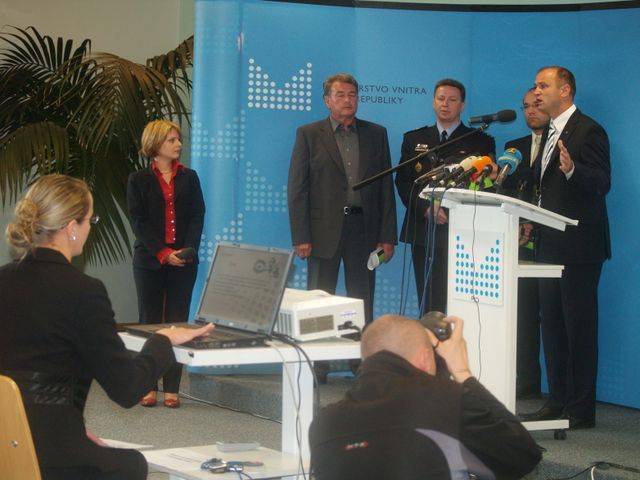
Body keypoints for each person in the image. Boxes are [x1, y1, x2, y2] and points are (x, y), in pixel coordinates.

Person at [0, 174, 214, 480]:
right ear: (71, 228)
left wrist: (71, 431)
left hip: (9, 446)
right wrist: (162, 340)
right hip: (52, 458)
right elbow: (127, 389)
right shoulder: (83, 292)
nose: (90, 228)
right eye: (91, 220)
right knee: (133, 465)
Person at [309, 314, 541, 480]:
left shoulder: (324, 422)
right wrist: (462, 373)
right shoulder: (447, 401)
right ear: (424, 358)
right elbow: (523, 456)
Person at [520, 66, 611, 429]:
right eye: (536, 86)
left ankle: (581, 409)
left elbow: (602, 182)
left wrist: (573, 170)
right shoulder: (548, 131)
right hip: (548, 246)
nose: (537, 92)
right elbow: (545, 191)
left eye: (544, 86)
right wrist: (529, 218)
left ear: (565, 90)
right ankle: (557, 400)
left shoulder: (589, 130)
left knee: (579, 330)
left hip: (578, 249)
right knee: (554, 329)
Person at [287, 73, 397, 325]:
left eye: (352, 95)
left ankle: (361, 349)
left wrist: (387, 236)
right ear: (327, 101)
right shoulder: (309, 134)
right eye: (340, 95)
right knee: (319, 297)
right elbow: (297, 189)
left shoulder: (376, 134)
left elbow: (385, 188)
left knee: (362, 298)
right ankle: (317, 350)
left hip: (364, 229)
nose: (348, 100)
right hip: (321, 231)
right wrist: (301, 236)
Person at [395, 79, 495, 314]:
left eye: (452, 100)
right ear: (433, 102)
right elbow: (403, 182)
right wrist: (425, 208)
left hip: (463, 231)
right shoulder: (414, 139)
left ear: (462, 106)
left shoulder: (480, 140)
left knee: (465, 303)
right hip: (424, 230)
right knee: (430, 303)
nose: (445, 104)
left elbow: (485, 187)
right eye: (441, 99)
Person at [127, 120, 205, 408]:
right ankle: (148, 385)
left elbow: (197, 215)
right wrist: (162, 252)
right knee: (149, 322)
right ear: (155, 144)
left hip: (183, 261)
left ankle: (172, 388)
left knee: (177, 322)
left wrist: (187, 250)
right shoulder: (138, 179)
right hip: (149, 259)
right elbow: (138, 221)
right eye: (171, 140)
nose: (178, 144)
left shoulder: (190, 177)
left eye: (178, 139)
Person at [501, 88, 550, 399]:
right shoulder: (513, 148)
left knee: (554, 317)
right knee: (524, 315)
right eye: (526, 107)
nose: (531, 111)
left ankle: (560, 389)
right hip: (519, 239)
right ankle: (527, 381)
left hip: (553, 240)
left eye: (537, 105)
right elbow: (506, 191)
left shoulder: (560, 144)